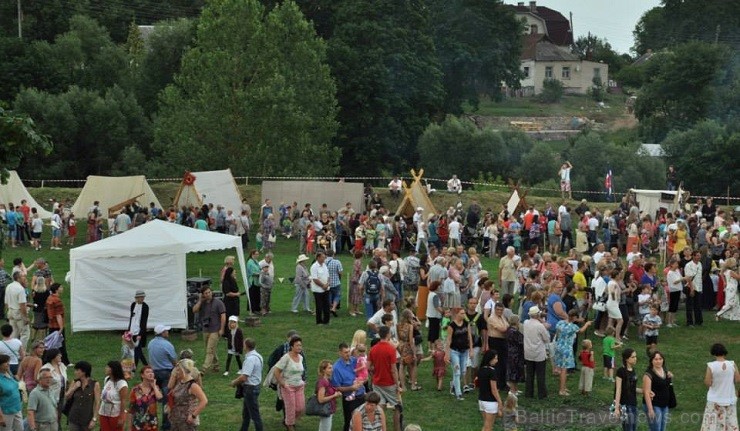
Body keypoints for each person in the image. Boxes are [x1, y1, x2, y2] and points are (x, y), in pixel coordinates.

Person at [368, 326, 402, 431]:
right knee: (398, 407)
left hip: (377, 383)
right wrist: (397, 385)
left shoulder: (373, 349)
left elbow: (368, 367)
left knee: (380, 407)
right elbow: (393, 370)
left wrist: (374, 373)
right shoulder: (391, 349)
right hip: (390, 383)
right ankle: (397, 429)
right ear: (388, 335)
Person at [700, 343, 740, 431]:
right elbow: (738, 379)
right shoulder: (732, 364)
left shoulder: (711, 366)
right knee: (730, 423)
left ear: (713, 353)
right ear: (724, 352)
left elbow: (708, 382)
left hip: (715, 399)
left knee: (712, 424)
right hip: (730, 398)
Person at [554, 309, 592, 396]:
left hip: (559, 346)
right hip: (566, 349)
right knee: (564, 370)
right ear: (574, 317)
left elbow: (557, 333)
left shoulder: (560, 323)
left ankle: (563, 387)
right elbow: (581, 331)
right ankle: (561, 390)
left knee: (560, 368)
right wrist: (586, 324)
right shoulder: (573, 326)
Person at [230, 338, 264, 431]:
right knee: (246, 414)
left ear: (246, 346)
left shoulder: (250, 359)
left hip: (250, 389)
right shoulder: (258, 356)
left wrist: (234, 382)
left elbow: (244, 377)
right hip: (255, 387)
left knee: (254, 415)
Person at [148, 324, 177, 430]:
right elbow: (174, 361)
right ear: (162, 333)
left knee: (151, 399)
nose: (168, 332)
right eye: (166, 331)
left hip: (154, 373)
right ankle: (166, 425)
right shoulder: (167, 345)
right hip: (166, 373)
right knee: (166, 399)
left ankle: (150, 421)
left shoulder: (151, 343)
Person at [331, 342, 365, 431]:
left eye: (349, 351)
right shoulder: (336, 368)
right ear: (340, 353)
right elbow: (337, 387)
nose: (348, 354)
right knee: (350, 422)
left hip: (361, 395)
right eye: (346, 352)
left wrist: (362, 381)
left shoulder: (355, 360)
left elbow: (363, 371)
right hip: (349, 399)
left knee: (362, 422)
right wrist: (351, 388)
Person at [274, 337, 306, 431]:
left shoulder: (301, 357)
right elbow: (276, 371)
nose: (299, 347)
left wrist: (303, 381)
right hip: (288, 387)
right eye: (297, 345)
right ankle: (290, 426)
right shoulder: (286, 357)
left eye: (300, 345)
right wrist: (283, 383)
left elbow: (301, 371)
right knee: (290, 409)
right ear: (292, 346)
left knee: (300, 408)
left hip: (299, 386)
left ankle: (289, 421)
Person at [192, 285, 226, 373]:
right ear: (203, 294)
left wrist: (222, 329)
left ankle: (204, 368)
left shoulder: (218, 302)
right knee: (211, 348)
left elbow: (223, 316)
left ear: (212, 292)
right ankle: (216, 365)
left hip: (215, 329)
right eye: (206, 293)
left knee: (209, 350)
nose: (208, 294)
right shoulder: (202, 303)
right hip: (206, 329)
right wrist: (200, 300)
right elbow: (194, 310)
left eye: (209, 292)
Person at [167, 359, 208, 431]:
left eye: (178, 370)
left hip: (186, 421)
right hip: (176, 419)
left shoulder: (193, 385)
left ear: (183, 371)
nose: (177, 372)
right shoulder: (180, 382)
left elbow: (204, 401)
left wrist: (193, 415)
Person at [64, 361, 101, 431]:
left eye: (77, 370)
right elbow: (67, 397)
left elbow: (97, 402)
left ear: (84, 372)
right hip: (74, 418)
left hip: (87, 419)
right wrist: (74, 388)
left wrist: (94, 419)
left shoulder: (95, 384)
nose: (75, 372)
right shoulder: (74, 382)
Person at [643, 350, 673, 431]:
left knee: (662, 429)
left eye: (660, 359)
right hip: (654, 405)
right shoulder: (648, 374)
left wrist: (670, 377)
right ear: (651, 361)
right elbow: (646, 392)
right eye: (656, 359)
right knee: (656, 429)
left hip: (664, 405)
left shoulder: (666, 372)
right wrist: (650, 409)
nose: (658, 361)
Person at [522, 306, 548, 399]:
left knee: (529, 374)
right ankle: (542, 394)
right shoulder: (539, 326)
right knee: (540, 374)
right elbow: (546, 338)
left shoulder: (525, 323)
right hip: (539, 353)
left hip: (528, 351)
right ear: (538, 315)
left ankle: (529, 393)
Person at [129, 366, 163, 431]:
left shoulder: (155, 389)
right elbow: (131, 409)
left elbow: (160, 398)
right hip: (138, 423)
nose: (151, 373)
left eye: (152, 372)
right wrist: (129, 425)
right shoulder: (135, 390)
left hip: (152, 423)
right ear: (142, 375)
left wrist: (154, 386)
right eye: (147, 372)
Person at [614, 348, 641, 431]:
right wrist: (616, 407)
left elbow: (632, 388)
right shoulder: (621, 371)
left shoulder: (633, 370)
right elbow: (618, 389)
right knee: (628, 428)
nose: (635, 358)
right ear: (626, 359)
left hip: (633, 404)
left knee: (633, 428)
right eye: (633, 357)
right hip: (625, 405)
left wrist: (645, 391)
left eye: (635, 357)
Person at [477, 349, 504, 431]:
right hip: (490, 402)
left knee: (486, 426)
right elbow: (494, 390)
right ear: (490, 359)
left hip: (481, 400)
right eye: (495, 358)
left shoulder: (481, 370)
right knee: (488, 427)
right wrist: (500, 401)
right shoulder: (492, 372)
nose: (497, 360)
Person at [4, 272, 29, 349]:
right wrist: (25, 317)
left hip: (10, 311)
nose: (24, 278)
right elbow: (22, 305)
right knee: (24, 333)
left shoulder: (9, 286)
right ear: (18, 278)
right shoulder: (20, 289)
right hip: (18, 312)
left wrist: (8, 311)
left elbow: (6, 302)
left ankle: (11, 350)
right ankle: (21, 352)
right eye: (22, 276)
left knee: (13, 333)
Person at [316, 360, 342, 431]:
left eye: (332, 368)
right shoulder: (323, 382)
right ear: (324, 370)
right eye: (329, 368)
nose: (332, 370)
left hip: (329, 409)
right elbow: (321, 399)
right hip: (325, 409)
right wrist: (334, 395)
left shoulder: (328, 380)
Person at [127, 290, 150, 369]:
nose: (142, 298)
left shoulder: (145, 307)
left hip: (139, 331)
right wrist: (128, 330)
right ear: (137, 298)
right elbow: (131, 318)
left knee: (137, 351)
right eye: (141, 297)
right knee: (137, 350)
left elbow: (144, 321)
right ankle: (147, 365)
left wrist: (140, 334)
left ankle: (134, 369)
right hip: (131, 330)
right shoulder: (133, 305)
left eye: (143, 297)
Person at [0, 354, 23, 430]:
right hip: (6, 411)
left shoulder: (9, 373)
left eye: (8, 361)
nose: (8, 364)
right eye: (5, 362)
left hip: (17, 408)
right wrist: (1, 417)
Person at [310, 251, 331, 325]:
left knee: (327, 305)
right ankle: (319, 321)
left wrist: (327, 284)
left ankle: (326, 321)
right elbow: (315, 279)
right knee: (319, 306)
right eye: (323, 257)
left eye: (324, 257)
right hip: (318, 290)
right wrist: (323, 285)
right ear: (318, 258)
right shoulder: (314, 267)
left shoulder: (325, 265)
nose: (324, 258)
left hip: (326, 289)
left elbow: (328, 276)